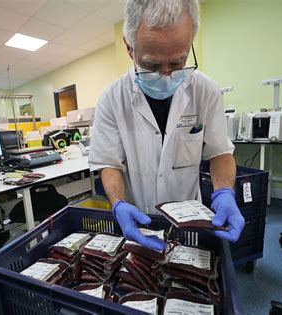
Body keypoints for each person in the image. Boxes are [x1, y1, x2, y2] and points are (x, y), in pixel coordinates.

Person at [88, 0, 245, 251]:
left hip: (190, 222)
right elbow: (108, 163)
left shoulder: (206, 91)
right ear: (130, 48)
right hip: (138, 218)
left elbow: (219, 152)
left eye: (177, 63)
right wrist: (117, 203)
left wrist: (224, 192)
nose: (166, 75)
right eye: (151, 65)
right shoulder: (112, 98)